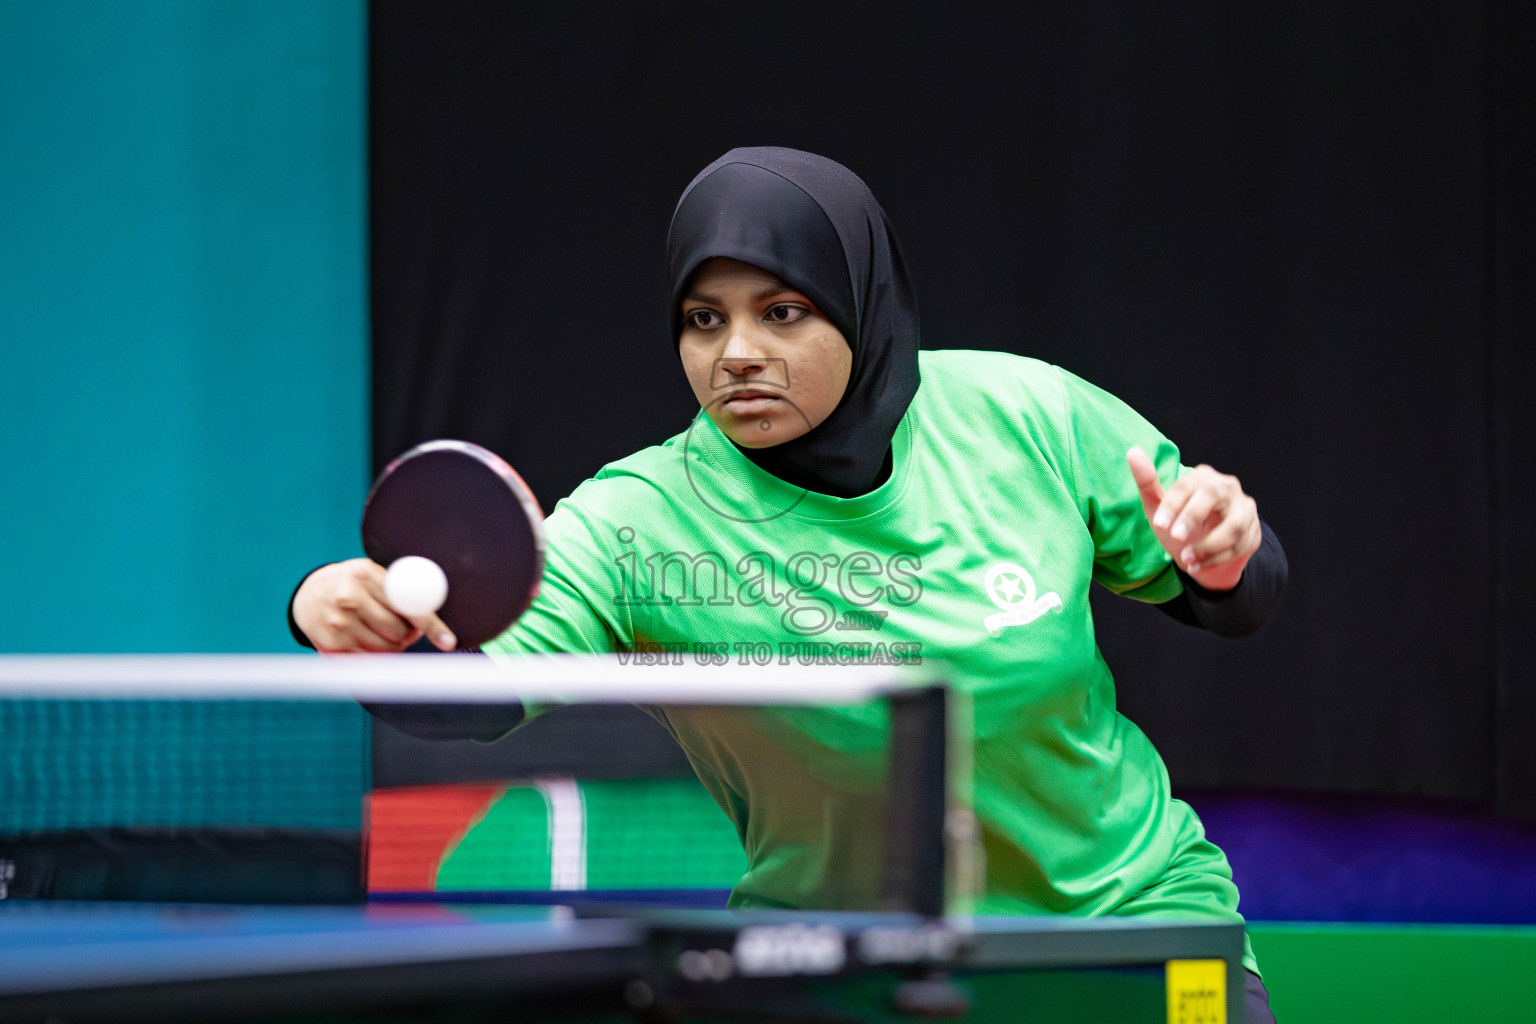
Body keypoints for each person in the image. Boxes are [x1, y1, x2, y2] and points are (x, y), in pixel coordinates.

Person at [291, 147, 1287, 1021]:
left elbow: (1236, 591)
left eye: (783, 311)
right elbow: (462, 691)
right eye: (702, 318)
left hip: (1126, 928)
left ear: (861, 301)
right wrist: (351, 620)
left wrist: (1225, 553)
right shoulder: (638, 519)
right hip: (839, 961)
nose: (737, 355)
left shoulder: (1028, 414)